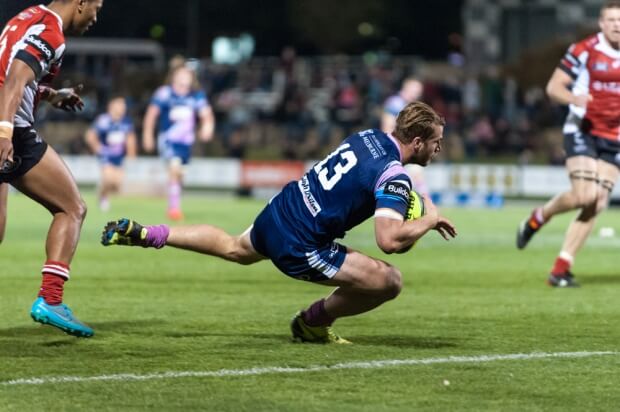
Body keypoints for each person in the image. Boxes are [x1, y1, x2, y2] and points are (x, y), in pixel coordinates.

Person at [102, 102, 457, 343]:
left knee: (235, 248)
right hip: (302, 242)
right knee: (389, 282)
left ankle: (150, 233)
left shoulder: (369, 136)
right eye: (436, 143)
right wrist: (429, 219)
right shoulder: (395, 176)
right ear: (416, 142)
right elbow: (390, 240)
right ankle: (312, 323)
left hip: (283, 207)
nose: (438, 150)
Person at [0, 0, 103, 337]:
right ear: (81, 2)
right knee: (72, 207)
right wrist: (4, 131)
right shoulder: (52, 31)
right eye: (96, 7)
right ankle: (51, 300)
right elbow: (15, 78)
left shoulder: (27, 16)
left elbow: (12, 73)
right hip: (9, 127)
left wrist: (50, 94)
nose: (95, 17)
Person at [516, 1, 620, 287]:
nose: (616, 25)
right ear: (601, 23)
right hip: (582, 130)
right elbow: (553, 87)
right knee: (585, 195)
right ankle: (538, 217)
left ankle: (560, 269)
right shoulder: (584, 50)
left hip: (614, 137)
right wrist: (574, 98)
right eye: (611, 20)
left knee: (597, 203)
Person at [142, 64, 215, 221]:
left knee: (180, 175)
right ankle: (174, 210)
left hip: (186, 144)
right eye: (181, 75)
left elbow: (206, 116)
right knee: (174, 170)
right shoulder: (164, 93)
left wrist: (207, 128)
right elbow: (151, 115)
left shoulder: (197, 96)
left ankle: (174, 201)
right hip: (168, 140)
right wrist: (147, 135)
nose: (184, 78)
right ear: (174, 77)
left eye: (187, 75)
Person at [85, 96, 137, 211]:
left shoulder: (126, 122)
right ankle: (103, 199)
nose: (122, 108)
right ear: (111, 106)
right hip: (106, 156)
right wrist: (97, 147)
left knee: (116, 184)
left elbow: (130, 138)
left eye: (123, 106)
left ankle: (102, 190)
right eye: (119, 105)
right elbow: (90, 135)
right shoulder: (103, 120)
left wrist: (131, 153)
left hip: (119, 157)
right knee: (108, 178)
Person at [381, 77, 429, 196]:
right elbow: (387, 126)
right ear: (406, 88)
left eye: (419, 91)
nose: (417, 94)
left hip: (407, 147)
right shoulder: (395, 103)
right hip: (395, 147)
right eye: (415, 90)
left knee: (416, 174)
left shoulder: (413, 107)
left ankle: (426, 201)